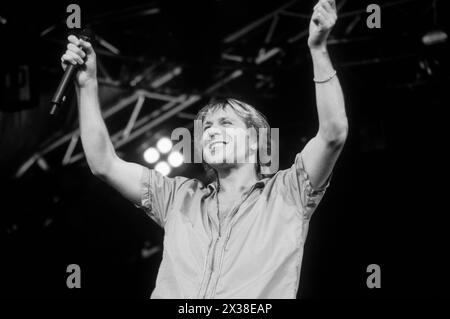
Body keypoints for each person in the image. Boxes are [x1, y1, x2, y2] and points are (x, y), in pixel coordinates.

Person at [61, 0, 347, 298]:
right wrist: (87, 84)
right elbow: (103, 163)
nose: (211, 131)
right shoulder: (177, 197)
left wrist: (318, 49)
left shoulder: (289, 192)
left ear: (256, 140)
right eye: (207, 127)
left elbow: (333, 134)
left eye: (225, 123)